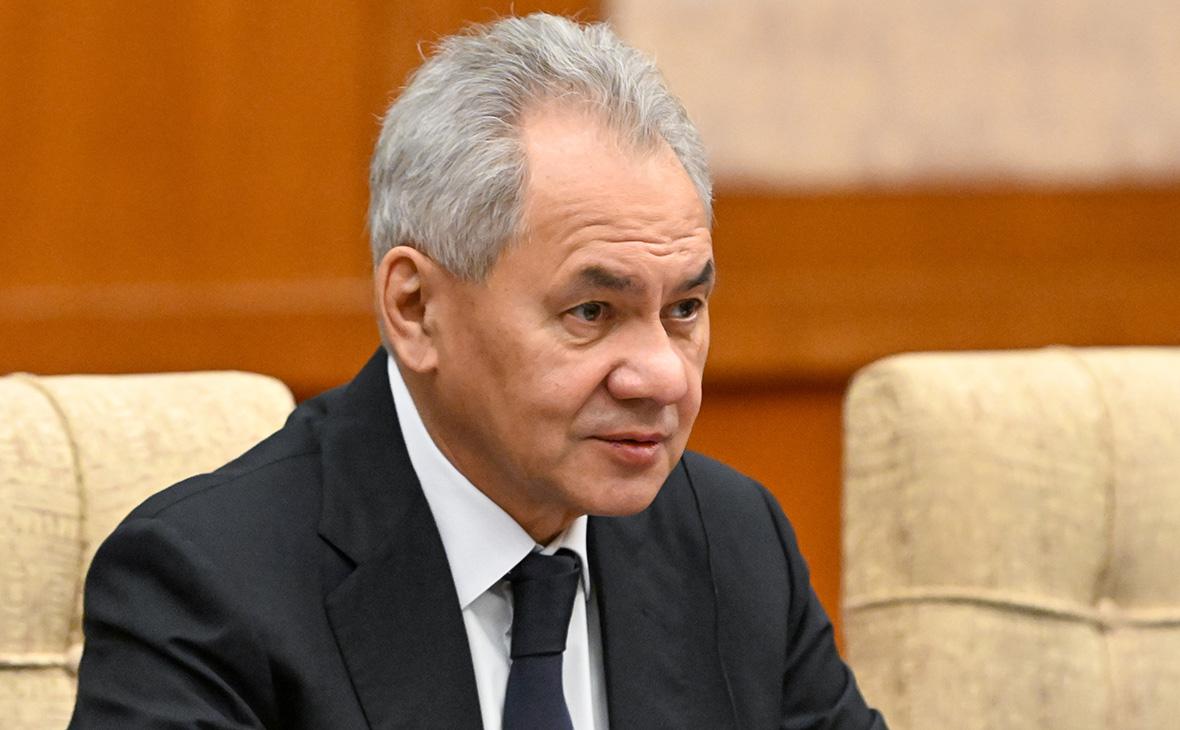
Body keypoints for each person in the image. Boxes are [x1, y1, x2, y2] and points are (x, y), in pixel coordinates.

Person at [69, 13, 885, 729]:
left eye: (684, 310)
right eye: (591, 312)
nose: (663, 378)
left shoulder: (732, 544)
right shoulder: (206, 588)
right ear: (416, 308)